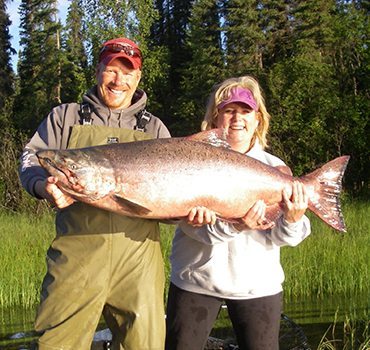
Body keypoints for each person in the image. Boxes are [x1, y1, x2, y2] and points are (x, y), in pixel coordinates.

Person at [19, 37, 171, 350]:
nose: (119, 80)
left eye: (128, 72)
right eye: (112, 69)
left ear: (138, 78)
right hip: (77, 257)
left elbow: (174, 203)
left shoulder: (155, 130)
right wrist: (42, 187)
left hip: (138, 263)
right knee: (55, 344)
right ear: (98, 70)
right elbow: (32, 157)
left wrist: (195, 213)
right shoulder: (65, 118)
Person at [165, 76, 311, 350]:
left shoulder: (274, 168)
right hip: (195, 282)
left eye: (245, 111)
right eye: (229, 110)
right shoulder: (188, 159)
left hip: (257, 286)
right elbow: (189, 226)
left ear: (258, 119)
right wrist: (238, 225)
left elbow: (287, 237)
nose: (237, 118)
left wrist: (292, 220)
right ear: (215, 117)